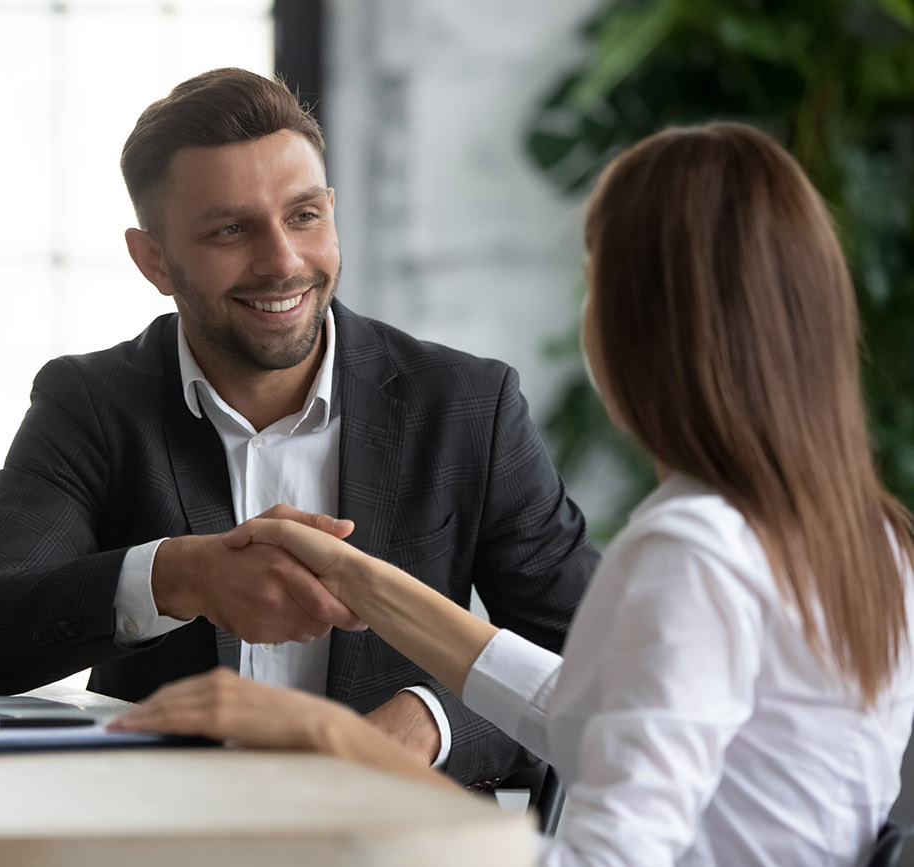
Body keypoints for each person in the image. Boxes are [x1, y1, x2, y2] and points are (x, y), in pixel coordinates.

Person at [110, 121, 914, 866]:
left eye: (593, 275)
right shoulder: (863, 533)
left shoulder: (690, 552)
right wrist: (355, 574)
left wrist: (329, 736)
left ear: (636, 325)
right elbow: (592, 710)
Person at [0, 67, 598, 786]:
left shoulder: (467, 407)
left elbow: (600, 665)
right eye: (231, 229)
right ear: (154, 261)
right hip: (166, 841)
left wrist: (427, 723)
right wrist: (176, 576)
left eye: (303, 216)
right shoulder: (95, 406)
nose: (283, 263)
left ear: (332, 211)